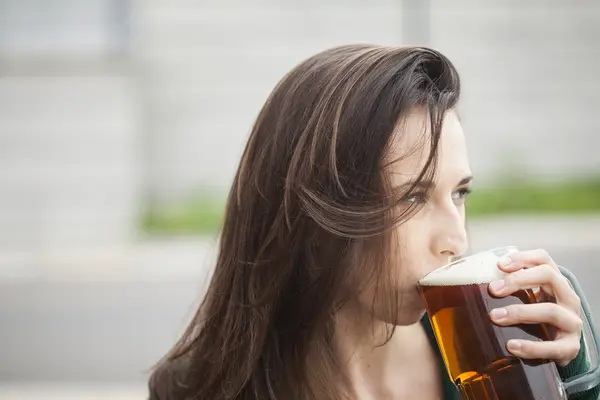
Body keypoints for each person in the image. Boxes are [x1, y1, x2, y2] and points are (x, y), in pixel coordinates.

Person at [148, 45, 599, 399]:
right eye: (412, 198)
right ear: (317, 215)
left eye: (459, 193)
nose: (455, 239)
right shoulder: (197, 389)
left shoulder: (492, 351)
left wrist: (577, 381)